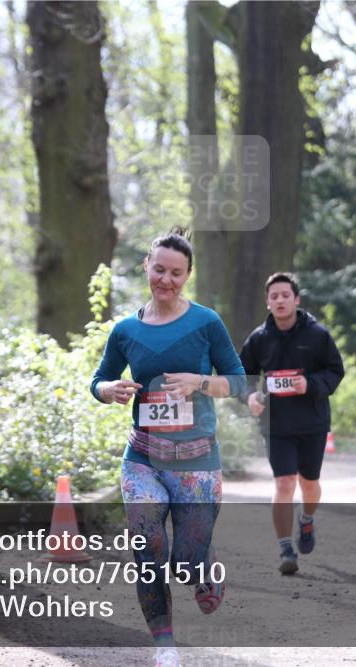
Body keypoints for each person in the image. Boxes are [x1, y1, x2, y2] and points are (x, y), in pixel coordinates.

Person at [91, 230, 246, 667]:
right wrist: (108, 390)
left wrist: (200, 382)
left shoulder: (206, 323)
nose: (166, 280)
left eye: (176, 273)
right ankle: (164, 645)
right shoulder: (126, 330)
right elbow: (98, 380)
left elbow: (238, 382)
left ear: (188, 275)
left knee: (186, 562)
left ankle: (202, 562)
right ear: (147, 266)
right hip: (143, 458)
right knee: (147, 548)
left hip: (197, 461)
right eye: (159, 270)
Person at [238, 272, 344, 575]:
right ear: (268, 302)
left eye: (286, 295)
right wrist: (249, 396)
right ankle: (285, 548)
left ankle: (306, 519)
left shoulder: (317, 335)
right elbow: (241, 375)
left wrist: (309, 384)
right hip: (276, 424)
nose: (280, 300)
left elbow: (335, 371)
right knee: (284, 483)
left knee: (309, 483)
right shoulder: (259, 338)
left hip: (312, 422)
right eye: (274, 296)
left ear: (296, 299)